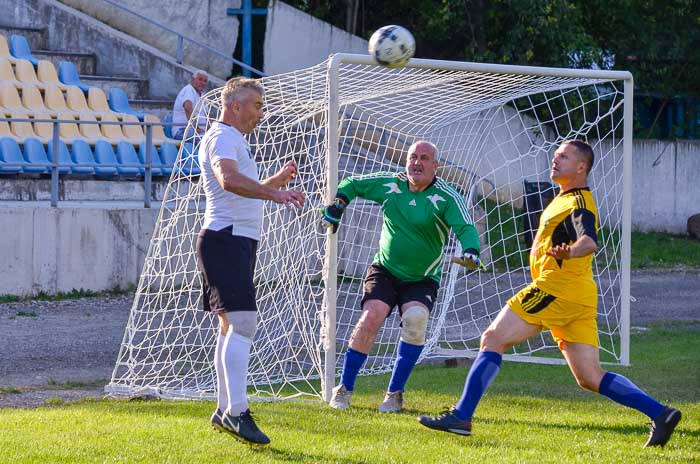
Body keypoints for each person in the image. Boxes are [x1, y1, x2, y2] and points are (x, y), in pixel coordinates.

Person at [417, 140, 682, 448]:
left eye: (564, 156)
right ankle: (661, 413)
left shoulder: (578, 203)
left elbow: (589, 241)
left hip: (557, 288)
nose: (555, 160)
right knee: (589, 377)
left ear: (582, 166)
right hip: (578, 295)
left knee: (493, 339)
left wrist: (570, 251)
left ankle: (462, 416)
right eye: (555, 156)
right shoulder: (563, 198)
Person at [321, 140, 485, 413]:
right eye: (412, 157)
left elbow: (466, 227)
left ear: (436, 166)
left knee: (415, 320)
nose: (416, 163)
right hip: (384, 270)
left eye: (424, 158)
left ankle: (394, 394)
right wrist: (339, 204)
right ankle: (344, 389)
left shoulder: (447, 196)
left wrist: (471, 251)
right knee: (371, 317)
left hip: (422, 278)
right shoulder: (390, 184)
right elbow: (352, 183)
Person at [196, 77, 305, 445]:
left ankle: (225, 407)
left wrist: (276, 181)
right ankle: (237, 413)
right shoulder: (223, 137)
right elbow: (228, 180)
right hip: (225, 239)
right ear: (236, 106)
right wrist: (275, 193)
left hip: (233, 240)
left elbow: (241, 189)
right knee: (243, 324)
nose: (261, 113)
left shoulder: (231, 138)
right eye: (257, 106)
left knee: (230, 327)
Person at [172, 69, 209, 140]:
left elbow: (207, 117)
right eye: (200, 79)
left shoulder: (202, 95)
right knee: (205, 141)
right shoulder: (189, 90)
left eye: (205, 81)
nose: (202, 83)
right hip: (182, 131)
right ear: (193, 80)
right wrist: (196, 128)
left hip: (199, 132)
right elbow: (188, 108)